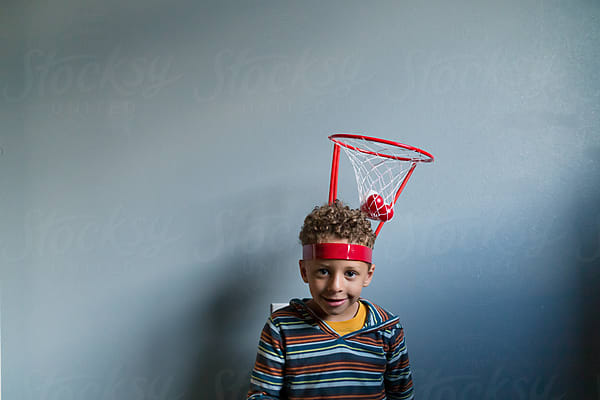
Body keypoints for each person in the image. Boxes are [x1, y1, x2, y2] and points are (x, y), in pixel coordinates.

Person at [246, 200, 414, 399]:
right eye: (323, 271)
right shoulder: (281, 327)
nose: (335, 287)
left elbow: (401, 395)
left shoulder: (388, 329)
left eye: (350, 273)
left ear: (368, 275)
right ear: (304, 271)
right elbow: (262, 395)